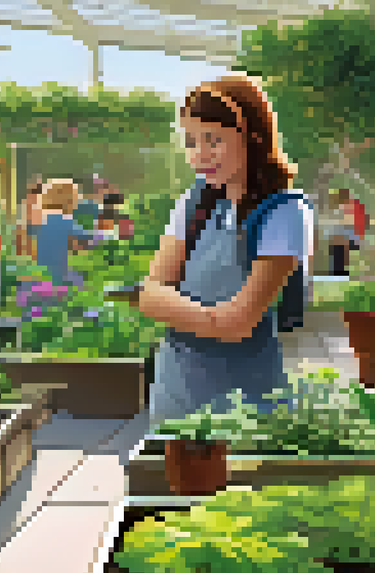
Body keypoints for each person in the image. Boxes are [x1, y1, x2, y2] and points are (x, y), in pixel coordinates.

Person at [124, 74, 313, 426]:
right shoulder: (195, 201)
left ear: (253, 137)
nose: (200, 156)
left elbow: (238, 324)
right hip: (174, 399)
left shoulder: (284, 212)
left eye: (214, 140)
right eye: (192, 142)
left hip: (246, 408)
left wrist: (175, 306)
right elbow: (150, 294)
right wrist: (212, 318)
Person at [33, 179, 100, 289]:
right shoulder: (65, 220)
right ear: (69, 200)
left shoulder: (41, 219)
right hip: (60, 273)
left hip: (40, 273)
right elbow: (90, 240)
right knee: (87, 285)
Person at [323, 188, 356, 276]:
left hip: (338, 240)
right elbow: (348, 226)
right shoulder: (343, 210)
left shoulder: (338, 210)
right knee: (340, 264)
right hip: (341, 240)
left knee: (337, 265)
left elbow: (331, 226)